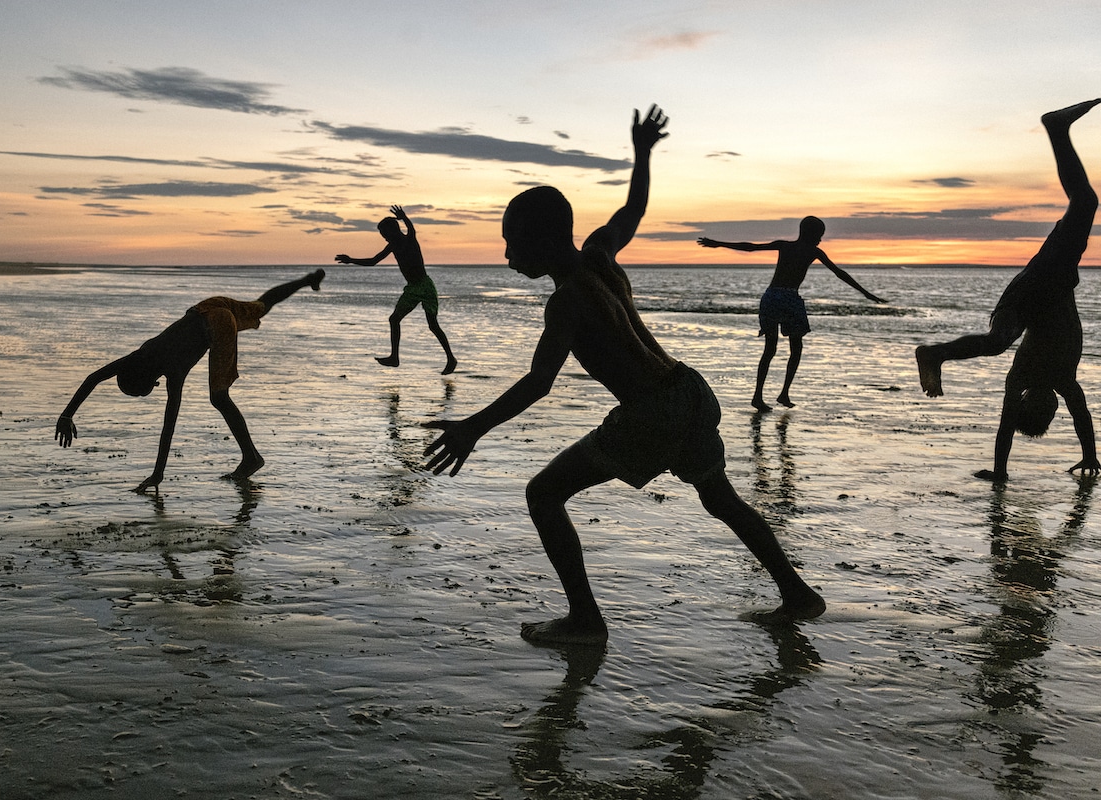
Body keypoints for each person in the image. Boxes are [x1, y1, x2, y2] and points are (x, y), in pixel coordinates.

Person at [423, 106, 825, 646]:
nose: (505, 254)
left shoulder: (565, 302)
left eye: (511, 243)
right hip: (690, 390)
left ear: (540, 245)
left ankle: (586, 621)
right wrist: (641, 152)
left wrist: (473, 426)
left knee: (543, 495)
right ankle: (797, 593)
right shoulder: (600, 252)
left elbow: (539, 381)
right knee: (720, 498)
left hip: (651, 412)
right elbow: (633, 208)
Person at [916, 99, 1101, 482]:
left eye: (1051, 412)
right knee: (998, 340)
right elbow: (1008, 427)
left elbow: (1066, 418)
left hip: (1041, 285)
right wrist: (1001, 471)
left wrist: (1091, 456)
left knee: (1085, 201)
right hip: (1035, 293)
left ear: (1045, 405)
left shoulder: (1052, 380)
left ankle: (1056, 128)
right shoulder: (1035, 380)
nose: (1057, 407)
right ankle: (936, 353)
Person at [55, 270, 325, 492]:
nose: (153, 389)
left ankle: (251, 458)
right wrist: (66, 415)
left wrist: (157, 475)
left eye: (145, 391)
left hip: (216, 324)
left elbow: (168, 427)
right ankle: (306, 280)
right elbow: (94, 378)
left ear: (146, 380)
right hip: (207, 306)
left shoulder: (171, 372)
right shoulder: (142, 354)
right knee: (260, 307)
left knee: (219, 397)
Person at [699, 219, 886, 411]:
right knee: (794, 349)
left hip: (771, 297)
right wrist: (866, 294)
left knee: (770, 350)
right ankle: (782, 393)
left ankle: (761, 396)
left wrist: (719, 243)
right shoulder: (813, 251)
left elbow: (752, 248)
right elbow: (839, 273)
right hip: (789, 299)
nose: (820, 240)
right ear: (811, 235)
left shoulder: (785, 246)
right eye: (819, 236)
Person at [335, 205, 457, 374]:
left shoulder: (409, 239)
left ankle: (451, 359)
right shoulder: (392, 246)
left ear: (393, 231)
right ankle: (394, 357)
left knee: (433, 325)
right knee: (394, 319)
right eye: (383, 236)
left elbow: (411, 228)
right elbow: (373, 261)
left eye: (385, 235)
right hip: (412, 288)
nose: (385, 238)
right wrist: (351, 260)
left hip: (425, 286)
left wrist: (404, 217)